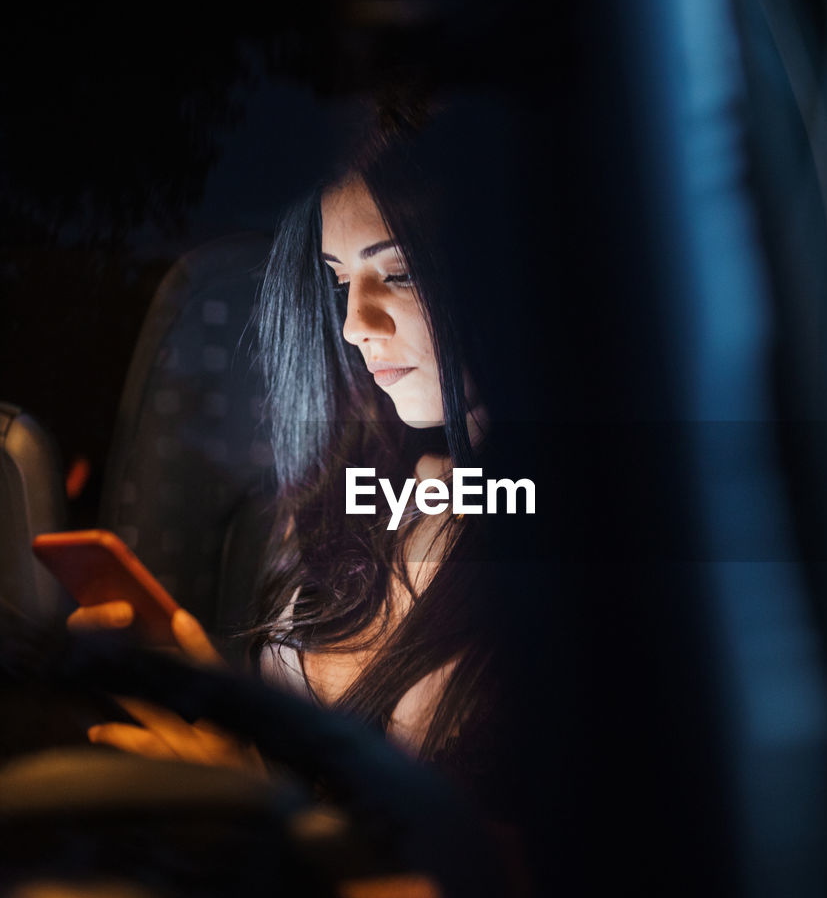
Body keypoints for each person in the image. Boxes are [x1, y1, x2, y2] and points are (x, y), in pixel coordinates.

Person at [70, 98, 516, 824]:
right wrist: (227, 730)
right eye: (340, 282)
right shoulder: (357, 488)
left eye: (397, 275)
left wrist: (258, 811)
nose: (352, 325)